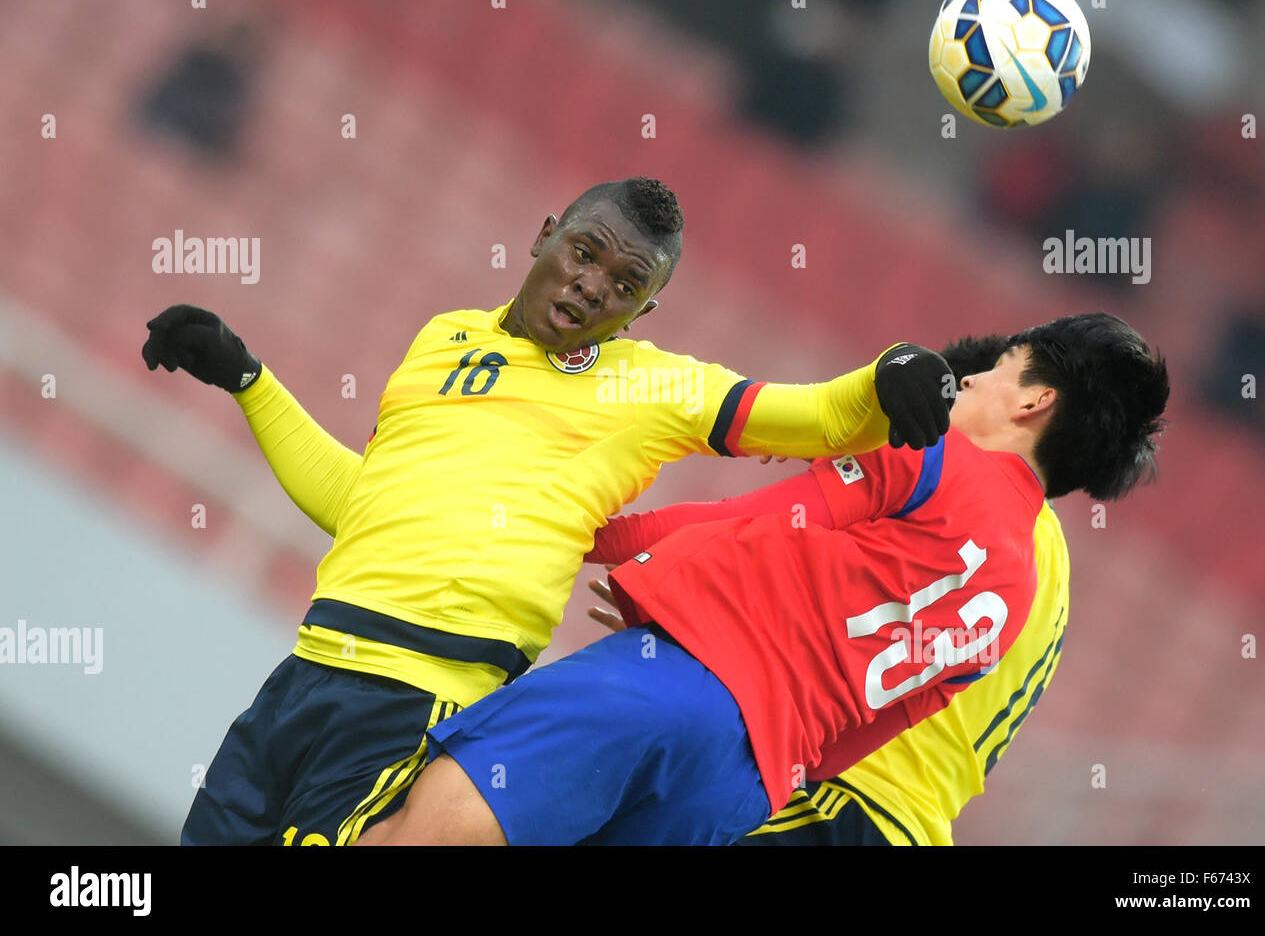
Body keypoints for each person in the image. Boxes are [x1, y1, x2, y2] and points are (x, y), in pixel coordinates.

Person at [140, 176, 954, 845]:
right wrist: (249, 380)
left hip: (412, 696)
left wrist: (894, 371)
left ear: (642, 314)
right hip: (304, 674)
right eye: (585, 252)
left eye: (626, 284)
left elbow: (816, 414)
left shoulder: (651, 385)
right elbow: (365, 507)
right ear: (543, 235)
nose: (593, 285)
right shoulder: (443, 338)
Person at [355, 313, 1169, 846]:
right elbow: (865, 730)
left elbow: (760, 516)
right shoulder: (1021, 590)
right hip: (742, 783)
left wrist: (579, 533)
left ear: (1034, 400)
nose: (978, 379)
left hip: (670, 685)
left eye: (999, 367)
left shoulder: (931, 453)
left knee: (419, 831)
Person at [584, 335, 1069, 845]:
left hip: (832, 798)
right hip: (908, 826)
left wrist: (571, 534)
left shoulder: (946, 478)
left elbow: (750, 523)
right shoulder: (1036, 560)